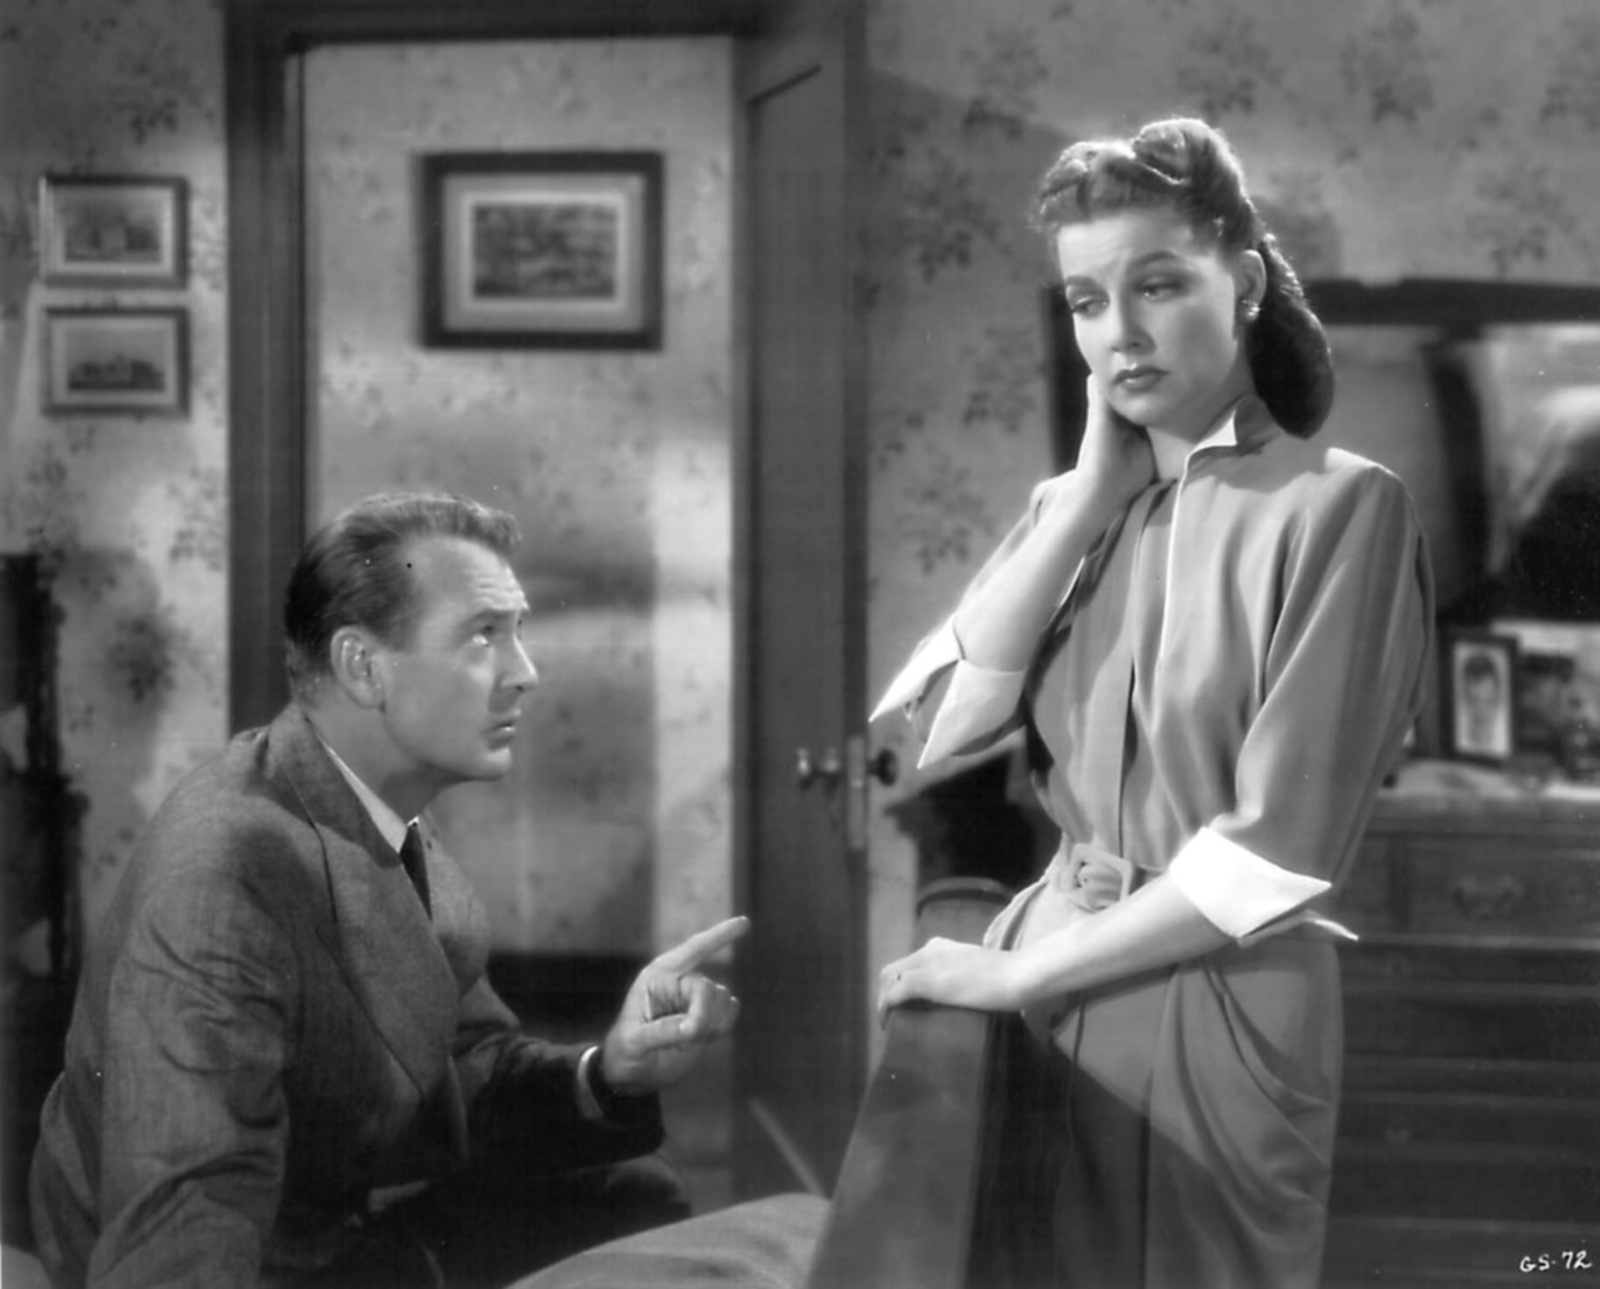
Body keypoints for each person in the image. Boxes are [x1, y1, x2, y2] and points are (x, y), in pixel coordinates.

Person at [872, 117, 1434, 1288]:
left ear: (1244, 282)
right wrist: (1084, 500)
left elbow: (1276, 849)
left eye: (1158, 284)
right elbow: (936, 734)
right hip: (1049, 960)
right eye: (1086, 301)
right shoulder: (1072, 507)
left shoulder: (1341, 509)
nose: (1118, 332)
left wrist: (1015, 976)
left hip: (1215, 1005)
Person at [28, 491, 823, 1289]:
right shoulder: (223, 880)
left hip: (336, 1224)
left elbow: (463, 1069)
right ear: (362, 666)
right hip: (271, 1265)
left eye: (518, 631)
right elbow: (182, 1233)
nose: (526, 673)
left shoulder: (370, 800)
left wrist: (608, 1070)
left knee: (637, 1194)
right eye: (484, 635)